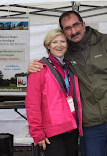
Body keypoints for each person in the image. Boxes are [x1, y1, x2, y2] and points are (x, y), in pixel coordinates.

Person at [28, 11, 107, 156]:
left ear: (83, 24)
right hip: (90, 122)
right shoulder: (66, 51)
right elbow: (52, 62)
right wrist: (34, 66)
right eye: (68, 28)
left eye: (76, 25)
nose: (73, 31)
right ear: (64, 32)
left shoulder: (106, 41)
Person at [25, 28, 83, 156]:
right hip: (53, 132)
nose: (59, 45)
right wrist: (37, 133)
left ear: (67, 45)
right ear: (48, 45)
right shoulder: (40, 68)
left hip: (71, 128)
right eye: (54, 42)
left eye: (63, 41)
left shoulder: (70, 67)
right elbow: (32, 103)